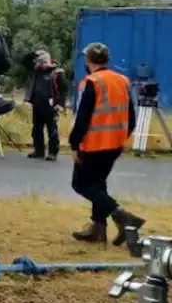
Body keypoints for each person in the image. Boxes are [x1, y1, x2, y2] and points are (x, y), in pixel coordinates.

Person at [68, 42, 144, 244]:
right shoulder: (122, 80)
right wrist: (121, 137)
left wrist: (74, 144)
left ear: (88, 61)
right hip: (115, 144)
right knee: (98, 185)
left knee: (81, 184)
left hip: (93, 145)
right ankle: (98, 229)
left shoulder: (91, 82)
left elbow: (82, 118)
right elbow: (132, 117)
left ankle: (122, 216)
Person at [26, 50, 67, 161]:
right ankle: (39, 150)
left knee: (52, 129)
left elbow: (63, 90)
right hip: (37, 103)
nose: (42, 64)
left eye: (44, 62)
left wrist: (60, 104)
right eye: (40, 62)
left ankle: (53, 152)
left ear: (49, 61)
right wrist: (34, 53)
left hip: (51, 105)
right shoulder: (37, 71)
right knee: (37, 129)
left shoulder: (57, 72)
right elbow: (25, 61)